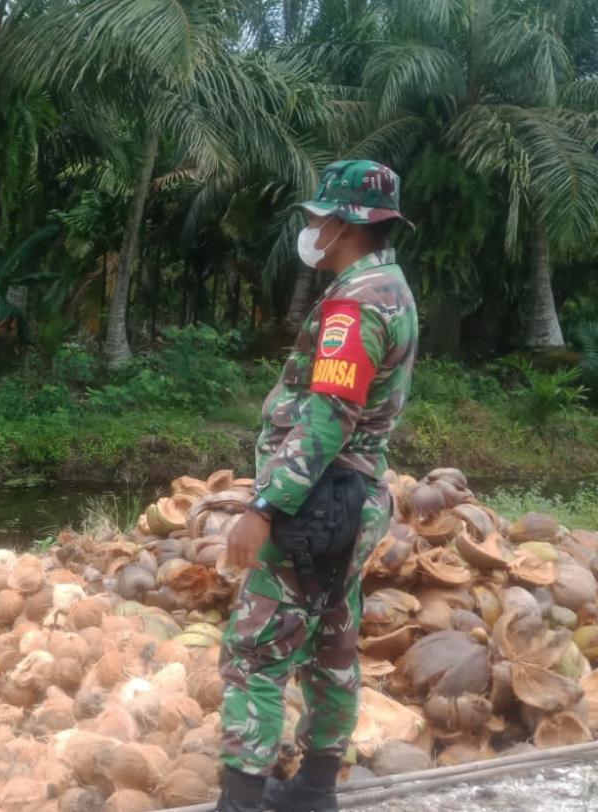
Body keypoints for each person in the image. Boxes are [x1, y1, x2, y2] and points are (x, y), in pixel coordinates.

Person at [215, 161, 418, 812]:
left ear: (344, 224)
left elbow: (328, 418)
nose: (310, 226)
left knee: (255, 652)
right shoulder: (391, 288)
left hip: (316, 501)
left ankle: (240, 801)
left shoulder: (354, 306)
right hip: (353, 501)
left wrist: (265, 506)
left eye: (316, 216)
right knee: (333, 639)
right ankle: (313, 790)